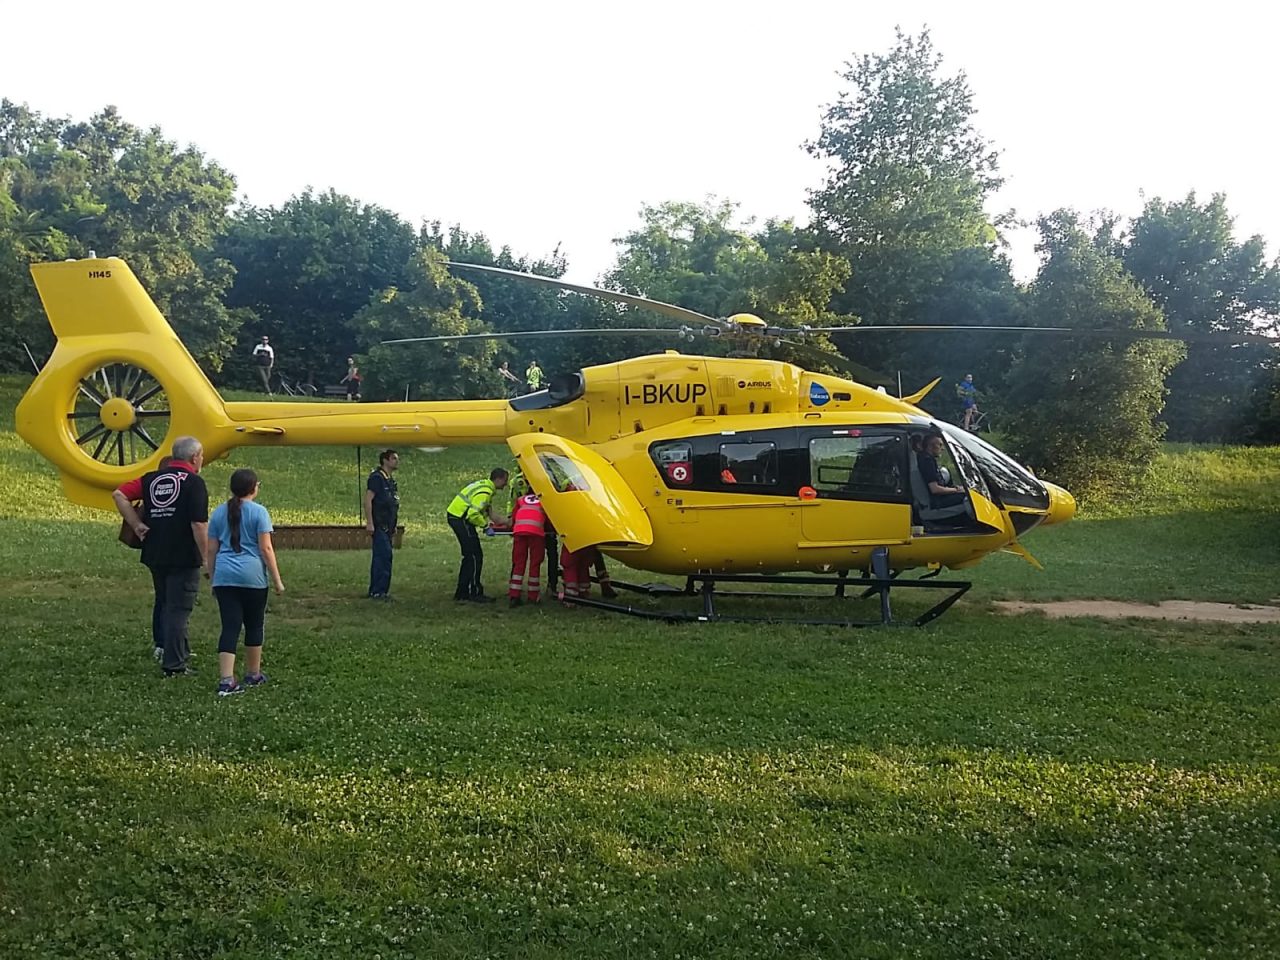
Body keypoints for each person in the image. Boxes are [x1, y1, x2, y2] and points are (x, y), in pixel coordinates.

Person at [112, 436, 209, 677]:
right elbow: (198, 524)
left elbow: (119, 494)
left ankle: (173, 649)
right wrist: (208, 556)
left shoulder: (151, 479)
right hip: (183, 554)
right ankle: (174, 664)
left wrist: (136, 524)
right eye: (202, 456)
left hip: (154, 551)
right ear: (194, 457)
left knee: (165, 602)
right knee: (179, 608)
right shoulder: (194, 482)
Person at [206, 469, 284, 696]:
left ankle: (227, 680)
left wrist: (213, 578)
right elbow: (266, 548)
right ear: (254, 488)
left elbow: (211, 549)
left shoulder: (219, 513)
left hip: (225, 576)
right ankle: (253, 673)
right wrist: (277, 580)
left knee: (230, 626)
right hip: (253, 578)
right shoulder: (259, 513)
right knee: (254, 624)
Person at [446, 467, 509, 602]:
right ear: (498, 479)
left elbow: (492, 515)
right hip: (461, 519)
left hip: (457, 517)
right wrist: (485, 527)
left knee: (471, 556)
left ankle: (462, 592)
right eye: (505, 480)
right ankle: (474, 592)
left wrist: (509, 522)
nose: (506, 484)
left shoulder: (486, 487)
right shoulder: (485, 492)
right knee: (474, 556)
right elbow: (473, 514)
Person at [363, 449, 400, 599]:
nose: (397, 461)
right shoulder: (377, 478)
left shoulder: (390, 480)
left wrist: (394, 524)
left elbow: (392, 503)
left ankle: (383, 590)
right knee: (382, 557)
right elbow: (368, 500)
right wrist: (370, 522)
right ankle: (377, 591)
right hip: (379, 525)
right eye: (393, 458)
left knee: (387, 557)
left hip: (389, 525)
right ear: (385, 460)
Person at [507, 490, 546, 606]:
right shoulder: (545, 501)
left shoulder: (520, 500)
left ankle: (514, 595)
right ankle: (533, 596)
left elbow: (513, 519)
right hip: (536, 533)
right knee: (535, 563)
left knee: (518, 563)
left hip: (519, 531)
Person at [917, 433, 966, 509]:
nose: (942, 448)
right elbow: (935, 489)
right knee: (968, 497)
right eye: (939, 445)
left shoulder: (925, 458)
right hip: (937, 501)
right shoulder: (927, 462)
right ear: (930, 447)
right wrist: (957, 490)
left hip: (939, 497)